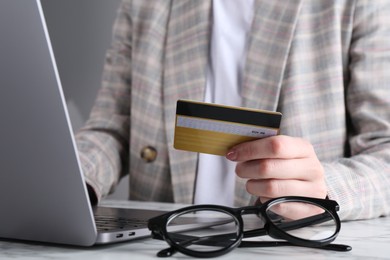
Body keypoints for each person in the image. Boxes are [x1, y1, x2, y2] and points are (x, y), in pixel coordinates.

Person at [75, 0, 390, 221]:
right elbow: (112, 126)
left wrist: (327, 189)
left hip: (285, 245)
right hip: (160, 242)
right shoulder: (145, 4)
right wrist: (77, 178)